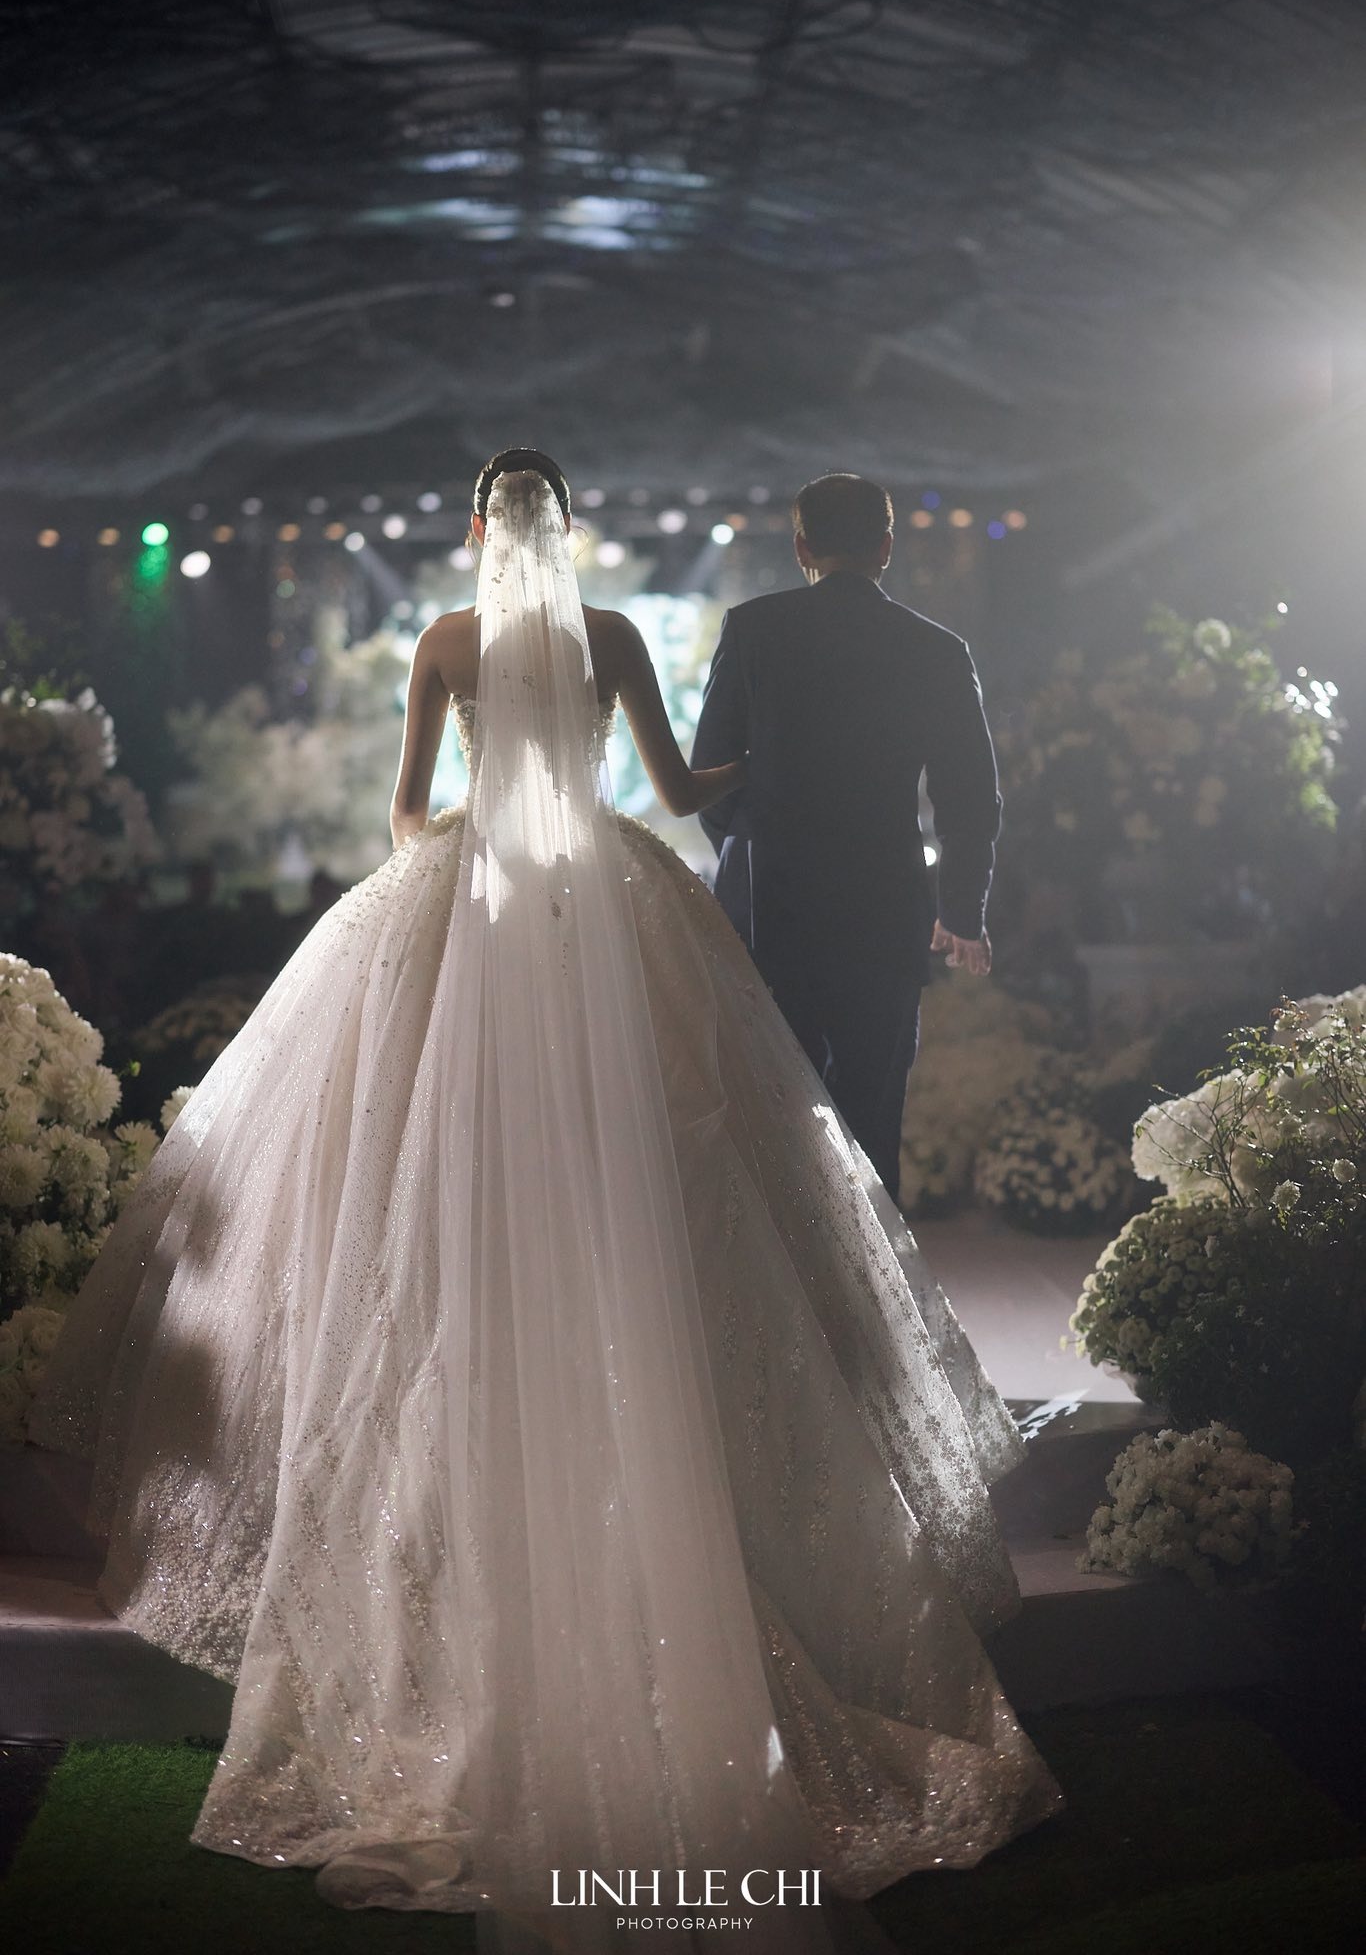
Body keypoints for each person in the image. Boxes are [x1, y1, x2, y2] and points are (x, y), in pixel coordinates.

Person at [31, 451, 1059, 1953]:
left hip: (481, 898)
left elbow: (405, 810)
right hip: (604, 892)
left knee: (430, 1165)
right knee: (681, 1156)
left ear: (474, 529)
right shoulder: (618, 639)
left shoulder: (444, 642)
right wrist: (778, 773)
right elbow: (683, 788)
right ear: (567, 534)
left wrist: (457, 891)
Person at [692, 473, 1002, 1199]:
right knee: (871, 1116)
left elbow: (711, 771)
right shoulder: (937, 649)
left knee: (774, 1118)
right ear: (886, 547)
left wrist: (749, 852)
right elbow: (969, 796)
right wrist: (961, 911)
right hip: (883, 910)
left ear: (801, 546)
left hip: (770, 910)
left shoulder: (753, 630)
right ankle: (876, 1269)